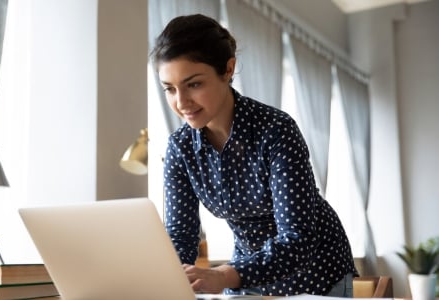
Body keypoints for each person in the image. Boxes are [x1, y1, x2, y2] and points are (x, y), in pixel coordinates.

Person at [150, 14, 357, 297]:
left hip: (315, 270)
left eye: (194, 84)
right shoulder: (180, 147)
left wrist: (224, 275)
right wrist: (167, 279)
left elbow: (297, 239)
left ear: (227, 69)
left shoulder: (275, 130)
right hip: (246, 271)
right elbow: (181, 236)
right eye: (170, 89)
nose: (181, 102)